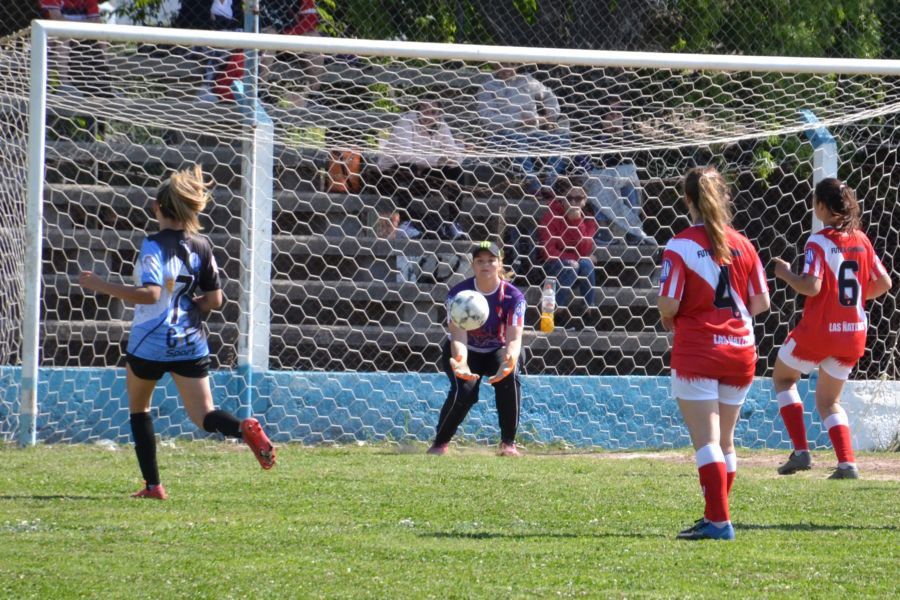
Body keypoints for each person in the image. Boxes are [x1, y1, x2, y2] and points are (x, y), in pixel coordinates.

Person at [77, 165, 276, 500]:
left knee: (140, 410)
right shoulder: (203, 245)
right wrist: (189, 307)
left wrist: (101, 285)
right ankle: (242, 428)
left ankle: (153, 486)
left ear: (157, 206)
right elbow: (215, 299)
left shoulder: (152, 245)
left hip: (150, 343)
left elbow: (151, 294)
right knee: (205, 415)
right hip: (190, 342)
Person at [657, 166, 770, 540]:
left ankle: (719, 522)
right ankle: (714, 514)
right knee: (725, 441)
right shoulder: (745, 244)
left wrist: (675, 314)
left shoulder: (680, 245)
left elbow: (670, 304)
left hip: (699, 349)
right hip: (741, 350)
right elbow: (761, 302)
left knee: (707, 441)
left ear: (688, 199)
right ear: (724, 197)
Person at [771, 178, 891, 480]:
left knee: (784, 378)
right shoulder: (861, 240)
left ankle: (801, 451)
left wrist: (785, 273)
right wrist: (850, 300)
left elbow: (811, 287)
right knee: (828, 401)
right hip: (852, 333)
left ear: (822, 207)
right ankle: (847, 463)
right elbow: (884, 283)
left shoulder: (818, 241)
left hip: (820, 331)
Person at [428, 241, 526, 457]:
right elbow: (458, 335)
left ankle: (508, 443)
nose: (486, 265)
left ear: (499, 264)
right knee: (465, 391)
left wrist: (509, 360)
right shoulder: (458, 294)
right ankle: (439, 444)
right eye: (480, 261)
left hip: (499, 348)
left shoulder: (513, 297)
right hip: (465, 348)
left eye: (491, 260)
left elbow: (514, 338)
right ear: (473, 265)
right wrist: (461, 361)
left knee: (509, 380)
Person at [377, 97, 467, 240]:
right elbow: (404, 156)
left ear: (439, 114)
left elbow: (455, 158)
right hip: (390, 175)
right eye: (424, 109)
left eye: (432, 112)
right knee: (409, 168)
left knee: (456, 171)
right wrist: (437, 160)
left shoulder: (442, 126)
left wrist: (455, 154)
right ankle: (405, 223)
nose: (427, 115)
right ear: (417, 109)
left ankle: (453, 223)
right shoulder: (405, 122)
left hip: (423, 173)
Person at [476, 62, 568, 192]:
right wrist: (519, 120)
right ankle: (533, 185)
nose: (508, 68)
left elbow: (548, 94)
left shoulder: (527, 80)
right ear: (495, 64)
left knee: (563, 138)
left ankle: (549, 183)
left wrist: (551, 114)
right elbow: (487, 118)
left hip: (532, 133)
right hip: (502, 136)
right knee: (517, 138)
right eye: (503, 64)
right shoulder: (487, 86)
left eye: (512, 64)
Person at [572, 107, 656, 247]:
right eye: (611, 115)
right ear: (603, 118)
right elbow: (584, 164)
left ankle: (633, 231)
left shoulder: (627, 137)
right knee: (600, 183)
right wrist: (606, 138)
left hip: (617, 180)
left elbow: (632, 164)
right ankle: (603, 230)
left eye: (618, 115)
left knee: (629, 182)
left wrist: (620, 139)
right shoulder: (591, 135)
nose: (615, 118)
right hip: (595, 179)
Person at [539, 186, 599, 318]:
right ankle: (555, 312)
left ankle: (588, 312)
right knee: (572, 266)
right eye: (569, 198)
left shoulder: (589, 219)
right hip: (553, 267)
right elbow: (548, 251)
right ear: (562, 199)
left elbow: (585, 250)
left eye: (578, 199)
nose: (573, 203)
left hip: (577, 270)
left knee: (586, 265)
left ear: (585, 200)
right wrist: (575, 258)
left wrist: (576, 221)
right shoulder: (551, 215)